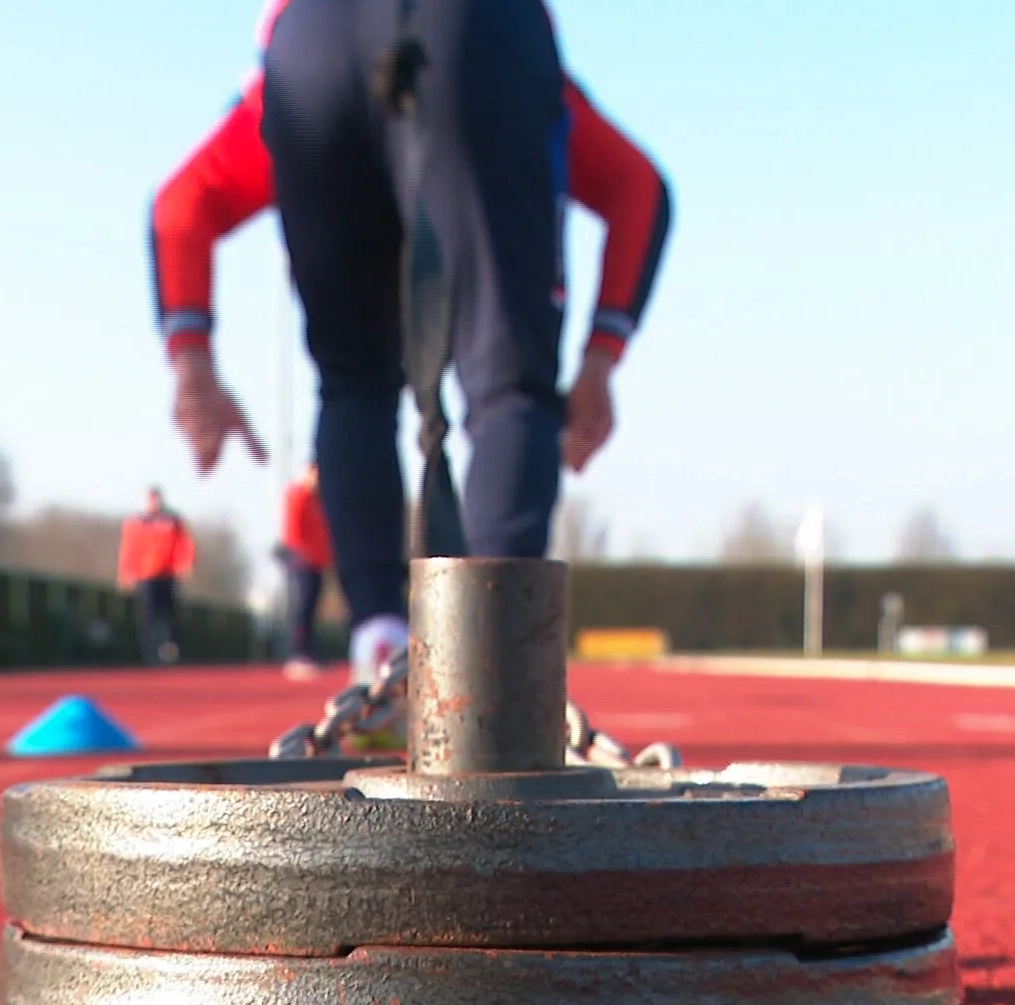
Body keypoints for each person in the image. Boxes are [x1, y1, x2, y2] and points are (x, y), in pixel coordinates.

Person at [150, 0, 671, 683]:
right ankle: (495, 673)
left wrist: (194, 366)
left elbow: (179, 206)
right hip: (480, 30)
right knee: (509, 384)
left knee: (353, 380)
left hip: (309, 40)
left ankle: (379, 646)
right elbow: (641, 188)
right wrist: (602, 357)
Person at [117, 486, 197, 665]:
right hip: (145, 577)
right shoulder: (135, 522)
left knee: (170, 616)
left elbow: (185, 544)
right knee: (148, 617)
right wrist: (125, 574)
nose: (153, 502)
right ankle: (151, 656)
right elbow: (128, 549)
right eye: (150, 499)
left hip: (168, 575)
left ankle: (171, 653)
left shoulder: (172, 520)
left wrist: (186, 565)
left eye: (156, 499)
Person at [277, 462, 332, 681]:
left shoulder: (317, 499)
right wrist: (299, 554)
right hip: (301, 561)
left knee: (311, 609)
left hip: (317, 561)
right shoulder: (297, 494)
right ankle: (297, 655)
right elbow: (292, 529)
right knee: (301, 608)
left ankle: (308, 653)